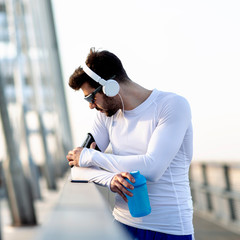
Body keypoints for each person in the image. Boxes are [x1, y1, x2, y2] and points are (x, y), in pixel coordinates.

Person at [66, 48, 194, 240]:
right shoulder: (106, 116)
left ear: (110, 86)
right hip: (122, 226)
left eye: (91, 97)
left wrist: (91, 157)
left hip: (170, 229)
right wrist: (110, 180)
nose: (91, 105)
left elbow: (152, 168)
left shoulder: (171, 105)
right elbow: (75, 169)